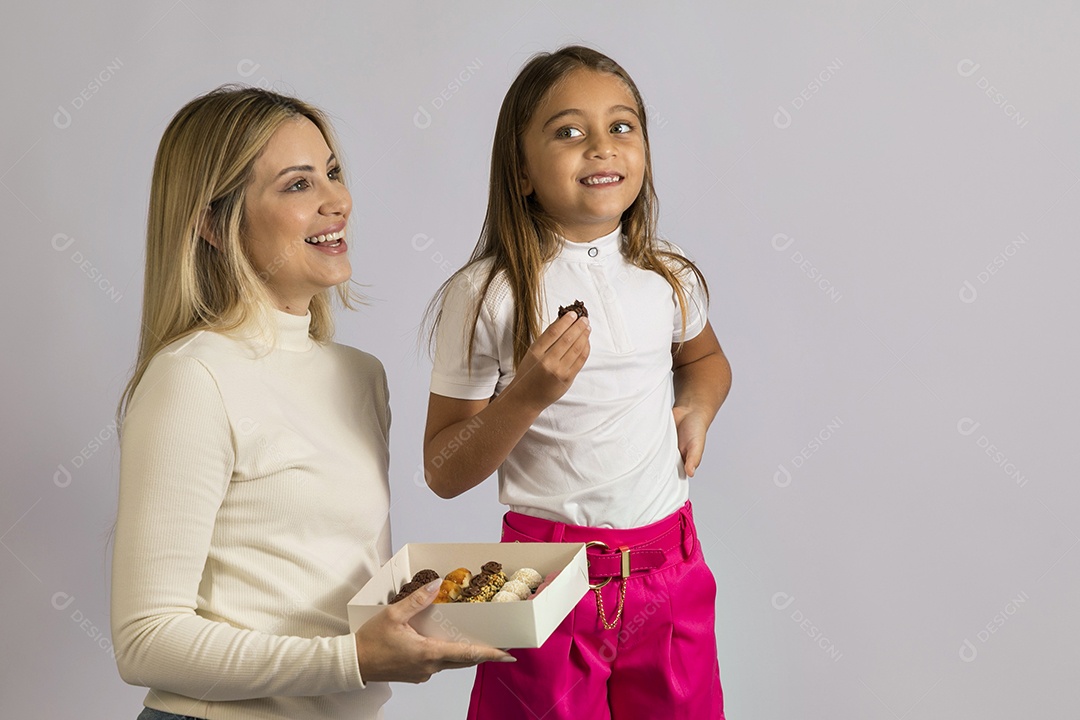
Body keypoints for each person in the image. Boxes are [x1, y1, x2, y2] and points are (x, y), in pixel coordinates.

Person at [111, 85, 512, 720]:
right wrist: (352, 659)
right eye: (298, 185)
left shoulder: (360, 377)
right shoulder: (193, 378)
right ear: (213, 224)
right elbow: (145, 641)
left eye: (332, 173)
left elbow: (329, 592)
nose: (338, 201)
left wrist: (432, 610)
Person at [423, 46, 732, 719]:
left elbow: (707, 361)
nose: (600, 146)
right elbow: (443, 470)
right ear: (522, 170)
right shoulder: (488, 294)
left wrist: (696, 410)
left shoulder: (668, 273)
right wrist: (528, 394)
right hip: (546, 580)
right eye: (568, 131)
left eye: (622, 126)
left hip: (670, 571)